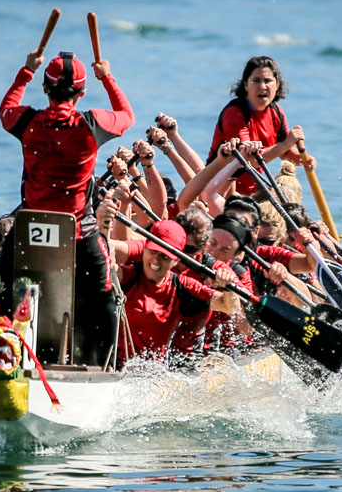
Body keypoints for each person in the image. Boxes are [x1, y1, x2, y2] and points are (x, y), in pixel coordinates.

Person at [0, 49, 134, 366]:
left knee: (3, 285)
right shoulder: (92, 124)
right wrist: (107, 77)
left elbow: (5, 111)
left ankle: (2, 343)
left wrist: (26, 71)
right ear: (82, 92)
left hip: (28, 231)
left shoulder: (26, 120)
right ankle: (100, 365)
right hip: (78, 234)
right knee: (105, 296)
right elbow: (127, 115)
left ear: (46, 89)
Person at [112, 219, 239, 365]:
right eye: (153, 252)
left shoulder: (183, 287)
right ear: (145, 248)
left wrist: (227, 286)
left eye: (164, 257)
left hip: (156, 370)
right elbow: (104, 259)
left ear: (175, 261)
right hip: (114, 364)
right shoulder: (126, 275)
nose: (156, 260)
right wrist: (105, 225)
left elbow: (228, 306)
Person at [206, 56, 315, 196]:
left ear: (277, 85)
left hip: (253, 190)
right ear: (246, 85)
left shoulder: (276, 113)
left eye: (268, 81)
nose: (262, 86)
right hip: (219, 189)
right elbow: (250, 160)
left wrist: (303, 160)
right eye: (256, 81)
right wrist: (286, 144)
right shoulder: (234, 113)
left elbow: (284, 151)